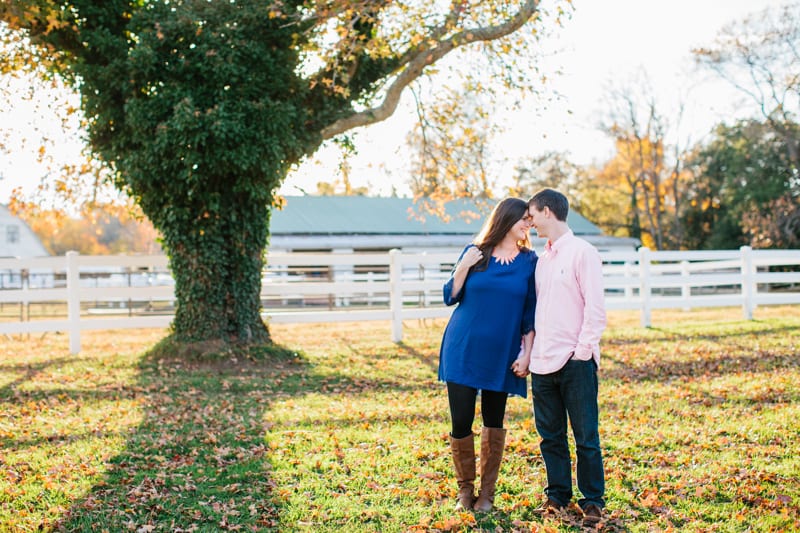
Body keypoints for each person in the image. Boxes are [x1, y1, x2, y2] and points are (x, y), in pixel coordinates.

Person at [515, 188, 607, 527]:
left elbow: (595, 309)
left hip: (575, 361)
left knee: (586, 436)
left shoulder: (583, 253)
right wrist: (530, 353)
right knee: (549, 436)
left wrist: (582, 353)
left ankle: (593, 500)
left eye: (533, 214)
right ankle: (557, 495)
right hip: (542, 362)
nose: (530, 221)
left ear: (548, 212)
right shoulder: (541, 260)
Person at [439, 197, 537, 512]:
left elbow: (530, 313)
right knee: (461, 420)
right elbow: (449, 296)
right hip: (463, 347)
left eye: (530, 220)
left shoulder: (530, 261)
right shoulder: (475, 253)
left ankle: (487, 495)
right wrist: (463, 267)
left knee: (494, 421)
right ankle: (464, 492)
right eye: (523, 218)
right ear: (506, 219)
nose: (528, 224)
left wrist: (528, 354)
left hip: (503, 353)